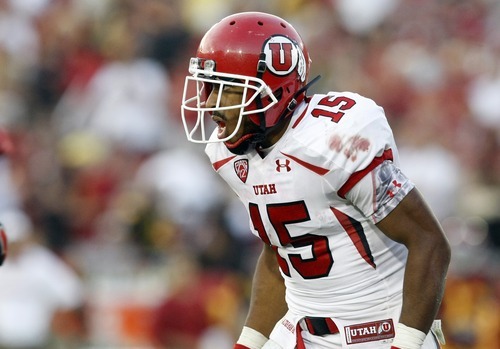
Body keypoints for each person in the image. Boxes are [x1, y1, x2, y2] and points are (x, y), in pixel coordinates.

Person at [180, 11, 451, 349]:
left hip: (378, 332)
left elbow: (429, 242)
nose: (209, 103)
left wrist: (408, 342)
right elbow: (282, 248)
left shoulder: (333, 142)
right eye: (208, 87)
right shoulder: (227, 153)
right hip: (299, 330)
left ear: (272, 91)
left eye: (226, 90)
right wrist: (248, 342)